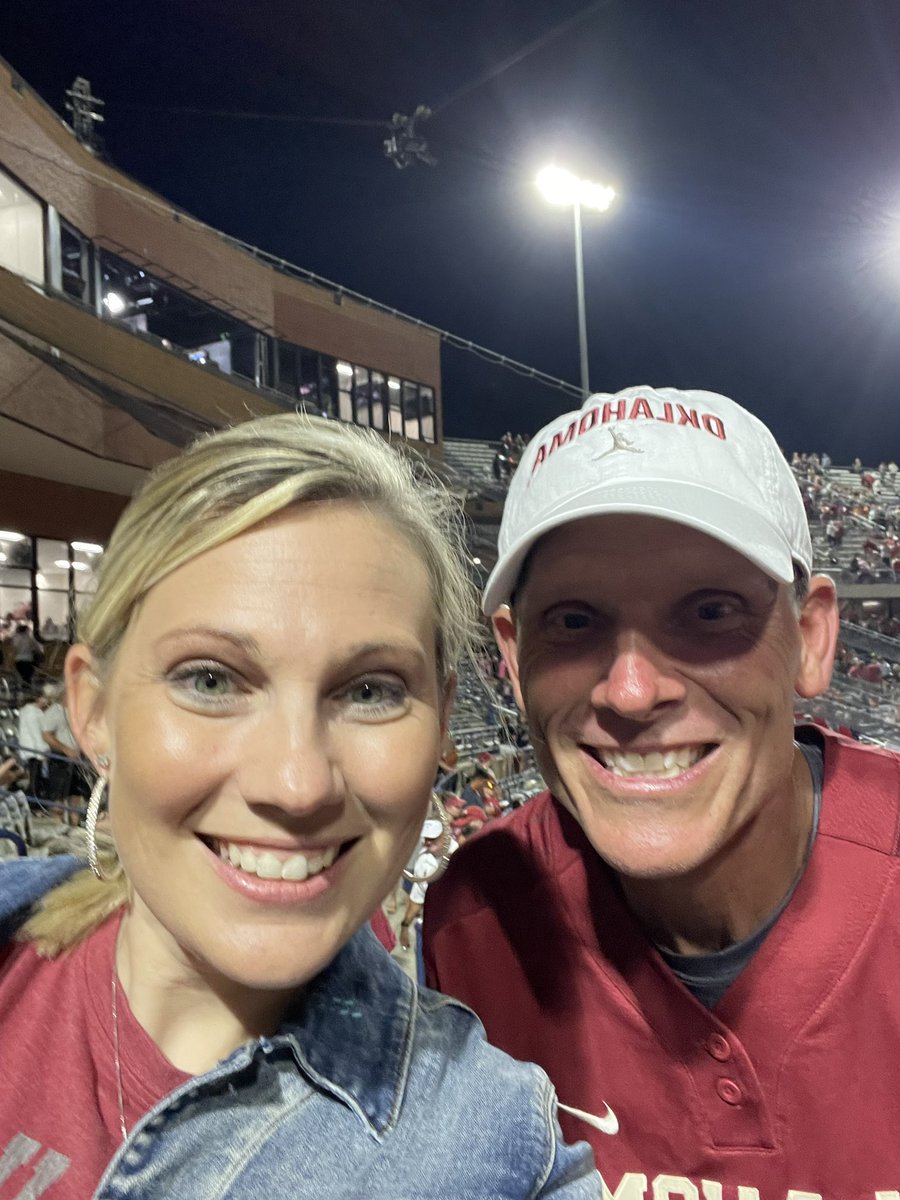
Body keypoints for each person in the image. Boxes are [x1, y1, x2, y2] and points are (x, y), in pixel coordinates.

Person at [0, 413, 602, 1199]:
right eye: (210, 680)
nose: (297, 784)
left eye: (371, 691)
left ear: (443, 723)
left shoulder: (498, 1156)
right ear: (93, 708)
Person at [424, 385, 900, 1197]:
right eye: (573, 622)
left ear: (813, 638)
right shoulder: (477, 925)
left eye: (710, 612)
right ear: (510, 656)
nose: (633, 690)